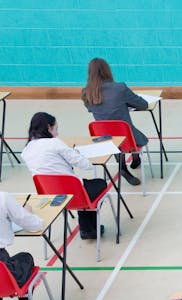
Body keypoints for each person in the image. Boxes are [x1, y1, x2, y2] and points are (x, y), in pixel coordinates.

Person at [21, 112, 108, 240]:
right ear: (48, 128)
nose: (57, 133)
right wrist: (75, 154)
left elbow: (50, 166)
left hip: (50, 196)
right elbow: (86, 165)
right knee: (99, 184)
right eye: (56, 129)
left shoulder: (26, 150)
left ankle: (87, 228)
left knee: (81, 187)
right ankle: (87, 228)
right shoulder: (55, 143)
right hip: (73, 193)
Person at [81, 57, 145, 186]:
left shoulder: (86, 92)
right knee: (133, 134)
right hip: (126, 137)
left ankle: (127, 163)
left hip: (103, 139)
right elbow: (142, 104)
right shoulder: (119, 88)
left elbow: (90, 109)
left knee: (114, 133)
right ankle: (129, 161)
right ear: (107, 71)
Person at [0, 192, 44, 300]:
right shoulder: (3, 198)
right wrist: (26, 212)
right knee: (25, 258)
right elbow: (33, 225)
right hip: (3, 273)